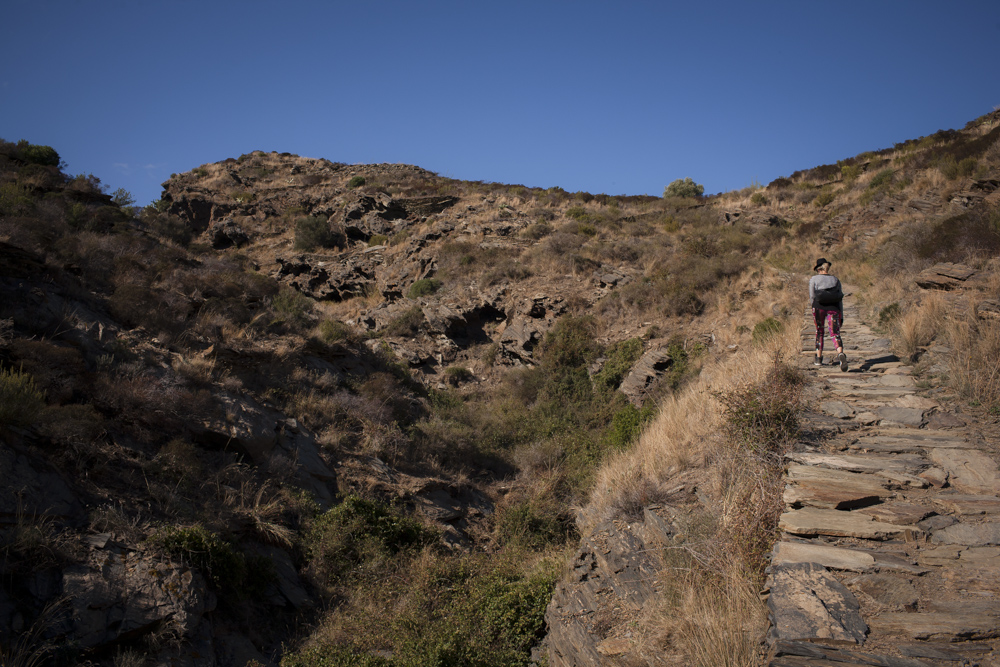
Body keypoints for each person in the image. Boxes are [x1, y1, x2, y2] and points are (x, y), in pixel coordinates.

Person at [809, 258, 848, 371]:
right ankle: (840, 353)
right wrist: (841, 315)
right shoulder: (835, 280)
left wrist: (813, 308)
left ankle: (818, 358)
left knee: (819, 331)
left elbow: (812, 296)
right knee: (835, 333)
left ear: (818, 269)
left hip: (818, 307)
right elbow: (840, 298)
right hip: (834, 308)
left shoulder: (814, 279)